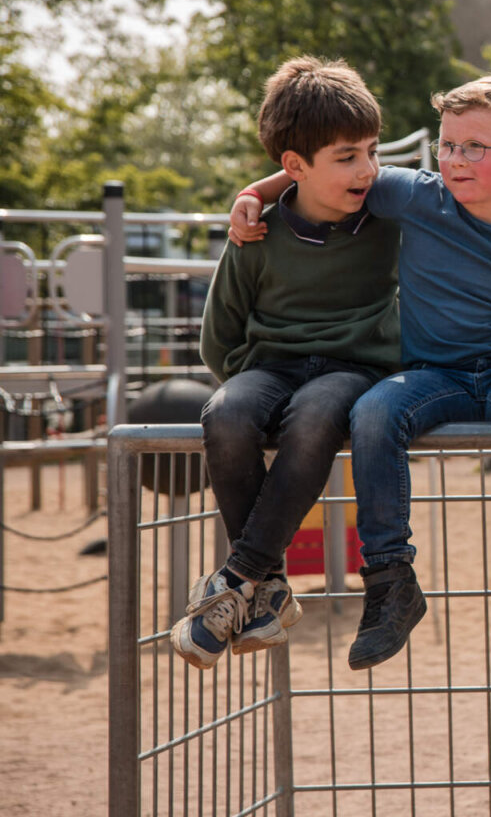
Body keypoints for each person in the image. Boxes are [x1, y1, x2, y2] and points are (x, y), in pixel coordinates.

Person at [227, 76, 491, 673]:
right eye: (448, 144)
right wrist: (255, 191)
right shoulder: (413, 195)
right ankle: (390, 582)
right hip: (433, 370)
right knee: (374, 412)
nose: (455, 159)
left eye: (474, 148)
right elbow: (322, 167)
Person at [178, 56, 399, 669]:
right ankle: (269, 587)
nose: (368, 169)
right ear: (295, 166)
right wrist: (251, 384)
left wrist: (256, 187)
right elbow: (218, 337)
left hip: (353, 369)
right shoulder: (257, 234)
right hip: (268, 367)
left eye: (371, 151)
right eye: (347, 157)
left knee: (316, 417)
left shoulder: (389, 217)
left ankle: (237, 580)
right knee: (225, 414)